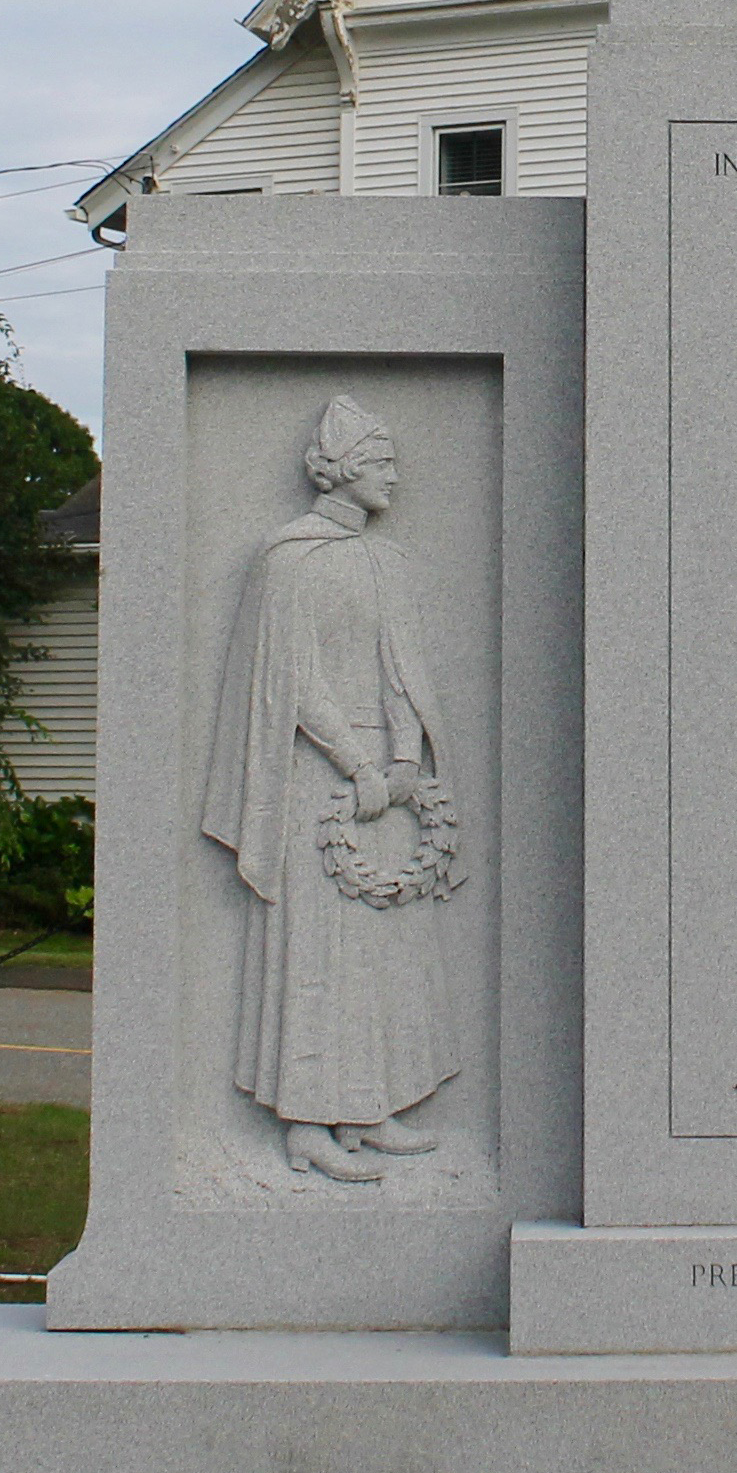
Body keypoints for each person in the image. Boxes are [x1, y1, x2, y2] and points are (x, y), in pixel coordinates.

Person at [204, 395, 460, 1182]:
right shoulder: (290, 558)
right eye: (381, 463)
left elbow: (403, 675)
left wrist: (407, 763)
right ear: (342, 469)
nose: (394, 476)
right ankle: (309, 1121)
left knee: (382, 954)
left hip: (388, 780)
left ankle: (369, 1105)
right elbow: (294, 682)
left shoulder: (386, 562)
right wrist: (356, 765)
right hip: (319, 781)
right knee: (316, 957)